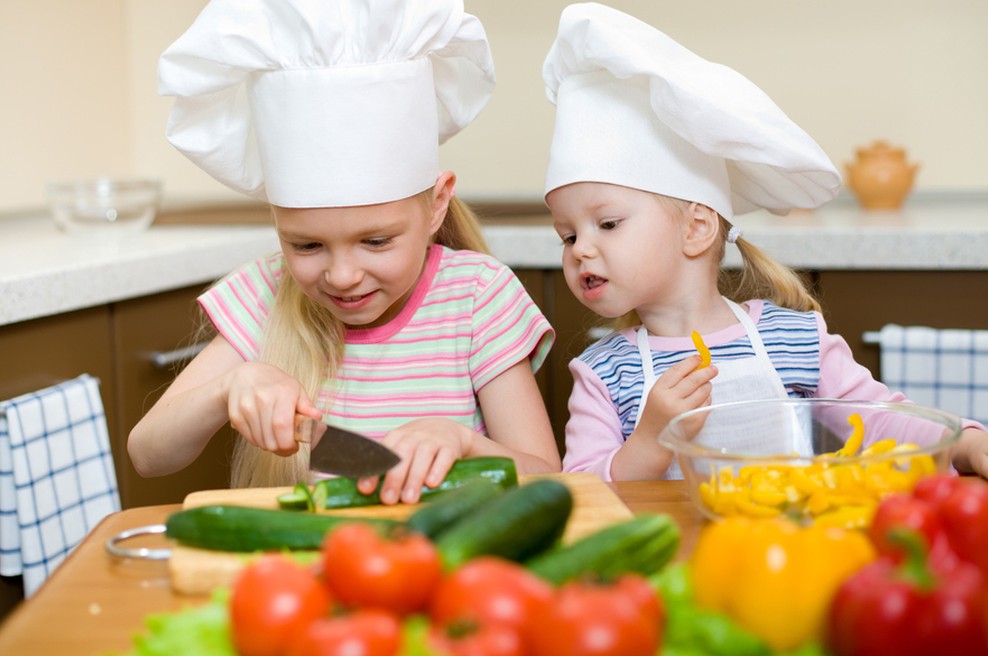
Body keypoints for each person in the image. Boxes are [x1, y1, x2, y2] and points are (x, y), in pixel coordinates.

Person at [128, 0, 561, 502]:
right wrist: (229, 389)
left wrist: (463, 443)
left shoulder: (478, 297)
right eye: (306, 244)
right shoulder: (265, 296)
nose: (342, 275)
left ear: (437, 205)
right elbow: (147, 454)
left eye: (376, 241)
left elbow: (550, 478)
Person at [542, 3, 988, 481]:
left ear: (697, 228)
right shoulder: (604, 373)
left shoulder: (795, 338)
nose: (579, 249)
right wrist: (650, 440)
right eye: (568, 235)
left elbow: (878, 419)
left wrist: (966, 442)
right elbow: (584, 491)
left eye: (607, 224)